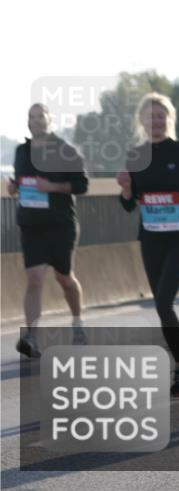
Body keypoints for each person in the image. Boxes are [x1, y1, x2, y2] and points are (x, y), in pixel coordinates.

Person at [117, 93, 179, 397]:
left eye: (161, 116)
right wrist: (127, 189)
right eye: (150, 116)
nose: (156, 121)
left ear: (170, 119)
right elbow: (128, 206)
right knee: (162, 307)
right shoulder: (135, 155)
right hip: (151, 239)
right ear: (141, 121)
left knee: (163, 303)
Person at [10, 104, 89, 358]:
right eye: (31, 117)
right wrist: (14, 187)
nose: (36, 121)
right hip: (31, 224)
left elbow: (82, 185)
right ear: (28, 122)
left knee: (64, 278)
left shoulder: (66, 151)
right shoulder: (22, 151)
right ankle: (31, 336)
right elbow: (21, 181)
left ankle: (78, 323)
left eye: (40, 117)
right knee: (34, 279)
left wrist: (52, 186)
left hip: (60, 225)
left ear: (49, 120)